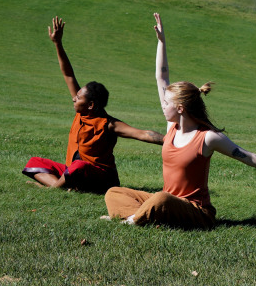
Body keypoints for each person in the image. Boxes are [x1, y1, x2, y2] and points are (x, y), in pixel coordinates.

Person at [103, 13, 256, 229]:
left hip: (197, 212)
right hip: (169, 202)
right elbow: (161, 77)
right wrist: (161, 42)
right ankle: (147, 215)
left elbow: (248, 157)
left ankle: (134, 219)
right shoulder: (172, 127)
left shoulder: (207, 138)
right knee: (115, 193)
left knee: (161, 199)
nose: (163, 106)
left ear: (180, 108)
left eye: (167, 103)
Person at [22, 17, 165, 194]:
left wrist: (170, 140)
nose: (74, 98)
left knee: (78, 166)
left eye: (79, 97)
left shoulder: (108, 124)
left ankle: (54, 188)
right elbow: (68, 74)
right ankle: (63, 185)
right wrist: (58, 43)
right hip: (75, 172)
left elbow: (142, 134)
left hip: (102, 179)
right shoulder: (82, 113)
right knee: (35, 162)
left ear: (90, 105)